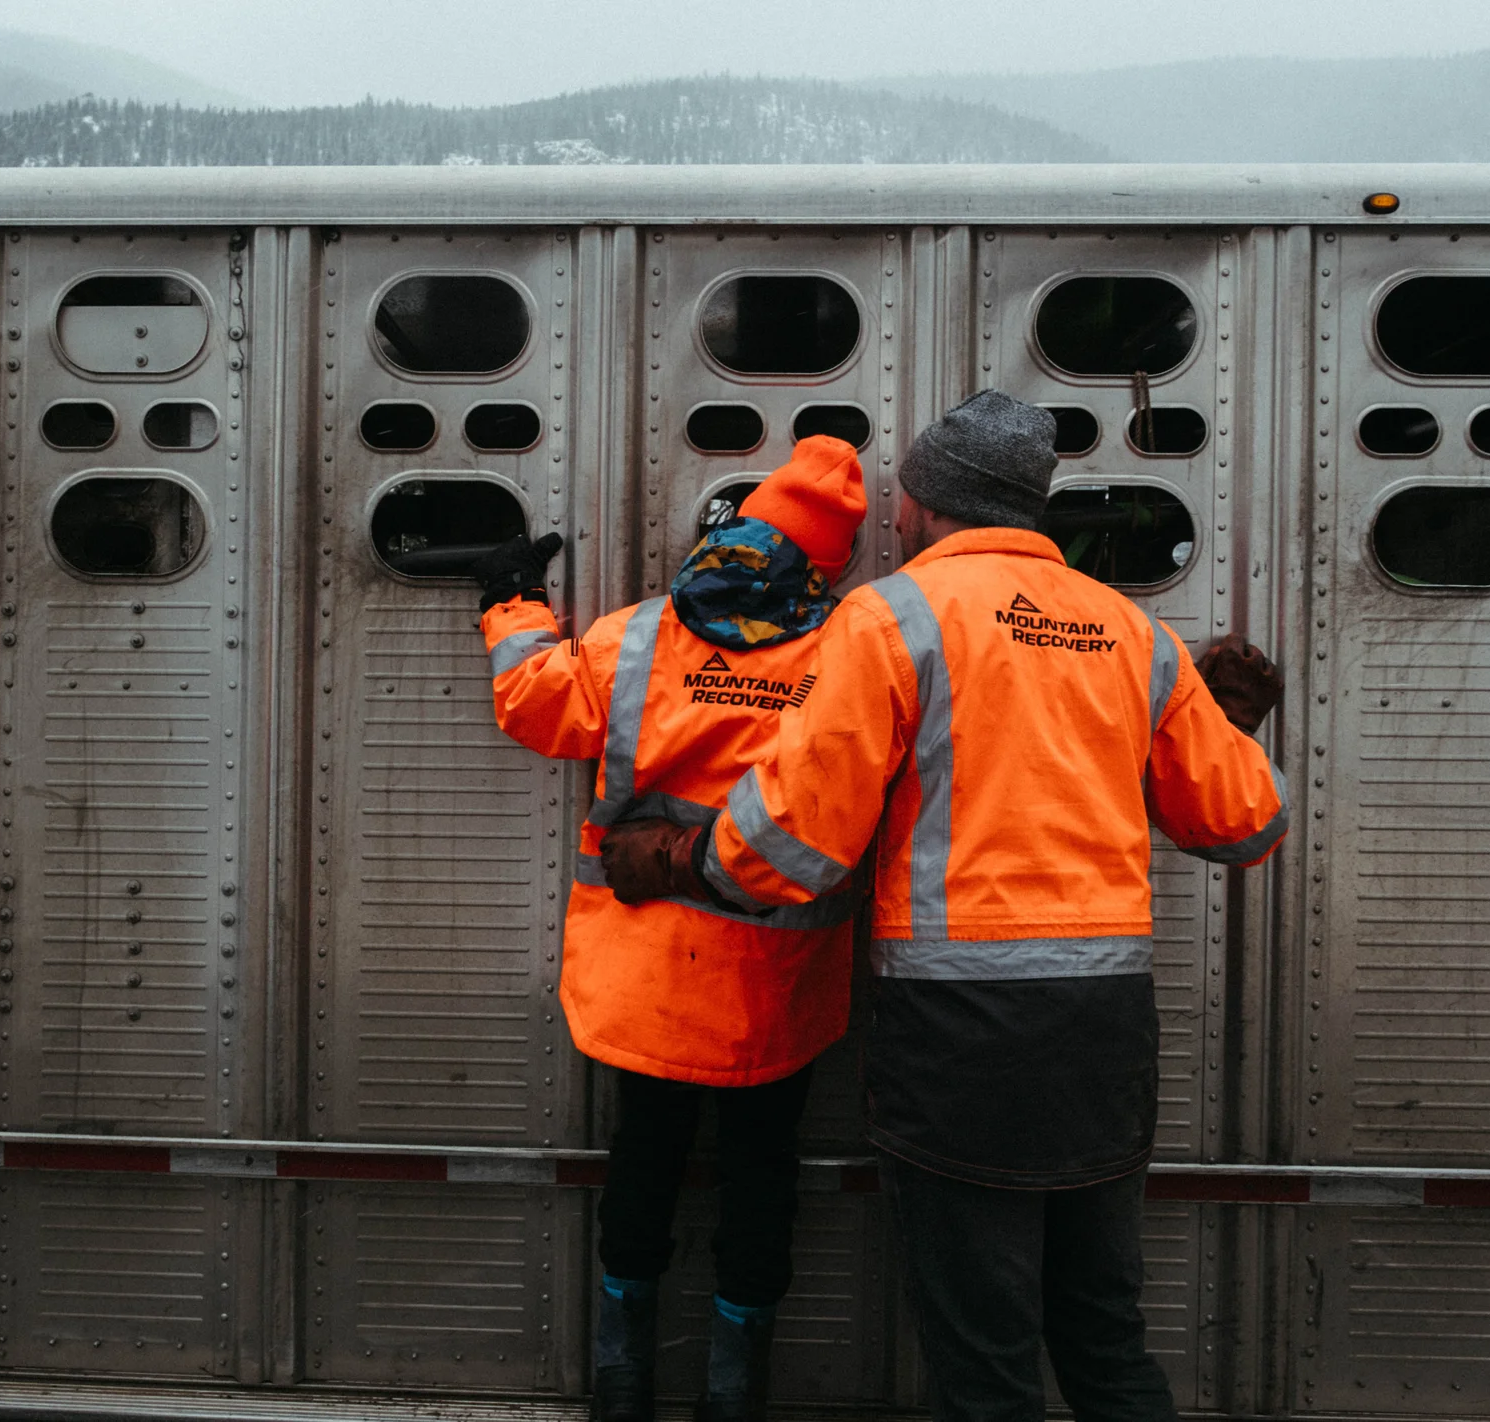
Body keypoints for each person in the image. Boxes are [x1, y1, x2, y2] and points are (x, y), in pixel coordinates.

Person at [598, 391, 1288, 1422]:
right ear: (1028, 508)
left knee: (983, 1359)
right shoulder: (1129, 634)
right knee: (1101, 1337)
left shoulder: (894, 618)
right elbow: (1245, 824)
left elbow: (782, 850)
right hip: (1103, 1036)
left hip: (961, 1036)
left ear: (920, 505)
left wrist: (673, 857)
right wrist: (1223, 727)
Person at [473, 437, 870, 1422]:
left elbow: (532, 703)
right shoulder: (843, 654)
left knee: (642, 1166)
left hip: (641, 978)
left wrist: (510, 600)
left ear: (741, 524)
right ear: (832, 562)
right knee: (759, 1179)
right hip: (774, 987)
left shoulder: (642, 634)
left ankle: (620, 1386)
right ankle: (734, 1393)